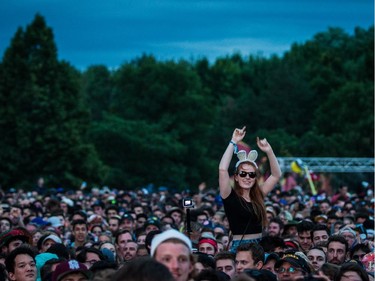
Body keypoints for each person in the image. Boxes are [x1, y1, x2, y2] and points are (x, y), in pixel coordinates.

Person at [219, 126, 281, 252]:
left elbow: (276, 175)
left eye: (251, 174)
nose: (247, 177)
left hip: (259, 246)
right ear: (236, 177)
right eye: (243, 174)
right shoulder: (229, 196)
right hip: (240, 247)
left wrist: (269, 151)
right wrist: (233, 142)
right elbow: (222, 169)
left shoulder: (258, 194)